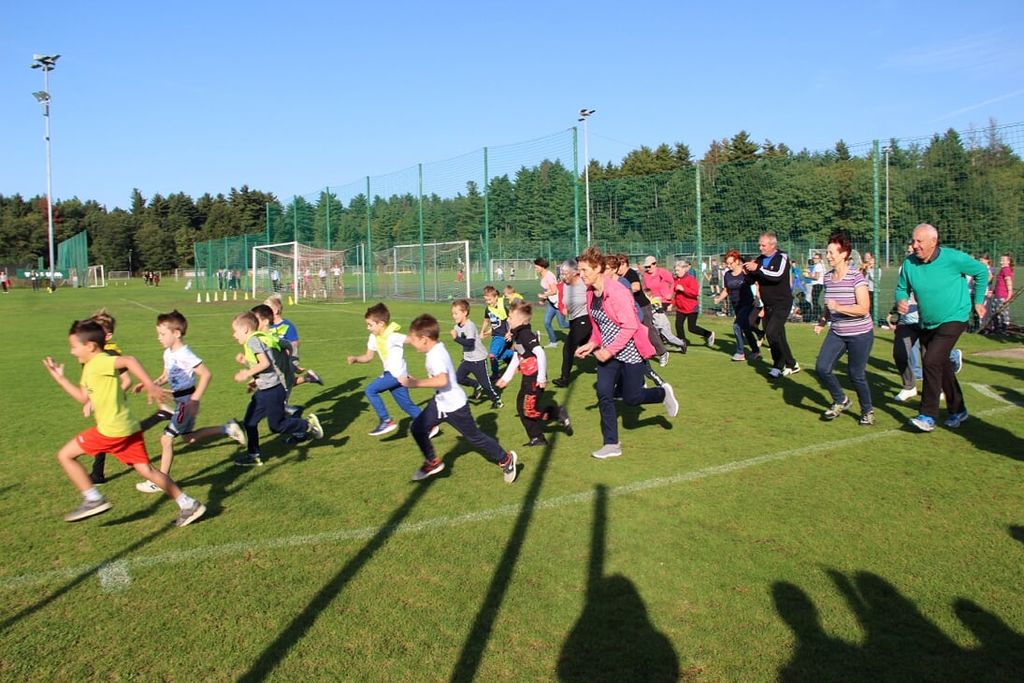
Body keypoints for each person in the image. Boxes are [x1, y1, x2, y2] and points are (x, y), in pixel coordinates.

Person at [43, 319, 207, 526]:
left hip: (111, 430)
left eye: (74, 346)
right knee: (147, 470)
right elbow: (83, 398)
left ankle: (93, 499)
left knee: (65, 455)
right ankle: (188, 504)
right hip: (128, 429)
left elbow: (129, 360)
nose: (72, 351)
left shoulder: (101, 361)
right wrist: (61, 379)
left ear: (90, 346)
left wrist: (150, 385)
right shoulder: (88, 368)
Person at [574, 247, 678, 460]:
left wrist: (609, 350)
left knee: (632, 398)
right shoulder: (590, 292)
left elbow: (630, 326)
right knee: (604, 392)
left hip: (630, 351)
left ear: (598, 268)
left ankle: (662, 394)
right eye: (579, 270)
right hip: (607, 352)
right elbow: (598, 325)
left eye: (584, 270)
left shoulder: (617, 292)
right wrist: (592, 344)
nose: (581, 274)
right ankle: (611, 444)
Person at [135, 310, 248, 493]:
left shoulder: (185, 354)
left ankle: (160, 480)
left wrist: (194, 400)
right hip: (181, 402)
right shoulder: (168, 353)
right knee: (188, 437)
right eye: (158, 334)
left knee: (166, 439)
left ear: (176, 333)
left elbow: (206, 374)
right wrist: (151, 384)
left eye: (162, 334)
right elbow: (166, 376)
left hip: (186, 403)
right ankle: (227, 429)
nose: (159, 338)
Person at [398, 314, 519, 484]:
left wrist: (415, 383)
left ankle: (506, 459)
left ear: (424, 339)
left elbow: (442, 380)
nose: (412, 343)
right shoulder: (434, 348)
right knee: (417, 428)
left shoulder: (435, 355)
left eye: (414, 340)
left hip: (455, 406)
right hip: (440, 403)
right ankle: (432, 462)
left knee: (475, 437)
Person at [895, 223, 988, 432]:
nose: (914, 245)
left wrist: (978, 301)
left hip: (955, 316)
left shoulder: (953, 258)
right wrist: (901, 299)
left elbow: (982, 271)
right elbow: (902, 288)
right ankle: (958, 410)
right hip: (927, 322)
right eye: (913, 241)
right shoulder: (909, 264)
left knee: (930, 361)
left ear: (933, 242)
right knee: (941, 365)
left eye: (919, 241)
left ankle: (927, 416)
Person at [232, 312, 323, 466]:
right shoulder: (258, 339)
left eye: (235, 331)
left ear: (246, 329)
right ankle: (253, 455)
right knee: (250, 422)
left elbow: (265, 363)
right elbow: (265, 363)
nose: (234, 335)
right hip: (264, 390)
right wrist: (253, 377)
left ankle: (307, 424)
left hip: (272, 391)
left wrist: (246, 373)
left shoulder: (253, 341)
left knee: (277, 426)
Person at [812, 234, 875, 425]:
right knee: (822, 368)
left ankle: (867, 411)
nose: (828, 256)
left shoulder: (856, 277)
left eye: (831, 253)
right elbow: (828, 305)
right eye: (827, 252)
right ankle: (841, 400)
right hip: (837, 332)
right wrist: (823, 321)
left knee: (856, 375)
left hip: (860, 334)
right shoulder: (828, 278)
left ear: (844, 254)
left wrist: (839, 308)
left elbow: (864, 308)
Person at [496, 302, 572, 447]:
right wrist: (506, 378)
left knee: (529, 410)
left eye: (510, 317)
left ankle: (557, 413)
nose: (508, 320)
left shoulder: (525, 334)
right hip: (528, 378)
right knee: (522, 407)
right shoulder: (518, 334)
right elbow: (518, 356)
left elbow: (540, 352)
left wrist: (541, 378)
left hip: (534, 379)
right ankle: (537, 438)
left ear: (521, 320)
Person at [347, 302, 422, 436]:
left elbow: (411, 340)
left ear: (381, 324)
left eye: (370, 324)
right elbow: (368, 357)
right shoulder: (373, 337)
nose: (367, 328)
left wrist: (425, 345)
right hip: (395, 375)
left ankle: (386, 421)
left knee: (370, 390)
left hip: (395, 374)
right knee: (406, 405)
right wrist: (356, 359)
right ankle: (429, 425)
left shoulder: (393, 336)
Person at [744, 233, 799, 377]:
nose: (760, 247)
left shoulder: (782, 257)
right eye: (759, 245)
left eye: (763, 245)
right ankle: (790, 364)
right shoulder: (760, 259)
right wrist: (747, 272)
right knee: (778, 335)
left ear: (773, 245)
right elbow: (752, 279)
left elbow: (776, 275)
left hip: (782, 303)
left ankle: (779, 365)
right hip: (768, 304)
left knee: (772, 333)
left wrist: (757, 268)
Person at [615, 254, 668, 364]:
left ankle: (662, 352)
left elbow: (636, 287)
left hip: (643, 306)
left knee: (649, 330)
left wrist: (622, 290)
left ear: (624, 264)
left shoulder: (631, 273)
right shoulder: (619, 276)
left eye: (618, 266)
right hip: (632, 308)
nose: (616, 269)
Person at [450, 299, 502, 409]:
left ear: (465, 313)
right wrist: (464, 355)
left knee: (486, 385)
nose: (454, 316)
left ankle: (497, 401)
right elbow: (465, 344)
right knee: (458, 378)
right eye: (453, 313)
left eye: (456, 313)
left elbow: (470, 342)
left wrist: (456, 338)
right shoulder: (456, 327)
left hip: (478, 360)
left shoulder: (470, 325)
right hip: (467, 360)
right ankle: (476, 385)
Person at [264, 294, 323, 387]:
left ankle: (307, 378)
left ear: (275, 311)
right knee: (281, 383)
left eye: (266, 310)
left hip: (289, 359)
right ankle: (309, 377)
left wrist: (289, 357)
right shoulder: (267, 326)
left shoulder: (287, 326)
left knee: (280, 384)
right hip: (275, 360)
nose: (264, 313)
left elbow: (295, 343)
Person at [552, 259, 592, 388]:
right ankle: (617, 367)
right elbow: (564, 302)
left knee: (568, 347)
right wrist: (564, 308)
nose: (563, 276)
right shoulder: (565, 285)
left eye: (565, 273)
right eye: (562, 273)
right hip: (574, 320)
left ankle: (564, 379)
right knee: (593, 348)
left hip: (585, 318)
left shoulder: (584, 282)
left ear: (575, 272)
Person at [714, 250, 759, 361]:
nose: (729, 266)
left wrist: (758, 296)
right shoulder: (727, 275)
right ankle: (756, 350)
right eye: (727, 263)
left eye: (731, 263)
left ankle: (740, 352)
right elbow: (727, 290)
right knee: (746, 328)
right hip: (736, 305)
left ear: (737, 261)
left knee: (737, 326)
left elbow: (757, 282)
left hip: (747, 303)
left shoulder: (744, 272)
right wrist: (719, 298)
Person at [672, 259, 714, 350]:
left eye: (678, 270)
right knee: (678, 325)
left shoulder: (691, 279)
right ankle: (682, 344)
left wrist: (684, 289)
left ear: (684, 269)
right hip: (680, 308)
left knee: (692, 328)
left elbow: (695, 293)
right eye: (675, 270)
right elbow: (676, 295)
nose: (676, 272)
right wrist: (672, 304)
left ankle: (709, 334)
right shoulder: (676, 280)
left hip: (691, 307)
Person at [481, 285, 515, 381]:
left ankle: (495, 374)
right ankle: (516, 353)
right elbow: (486, 320)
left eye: (490, 300)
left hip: (503, 336)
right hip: (495, 336)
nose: (488, 302)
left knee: (492, 355)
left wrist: (509, 332)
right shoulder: (488, 309)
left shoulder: (502, 307)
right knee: (499, 356)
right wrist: (482, 331)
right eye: (486, 300)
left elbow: (510, 319)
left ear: (496, 297)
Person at [535, 257, 567, 347]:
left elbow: (554, 291)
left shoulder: (548, 276)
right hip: (552, 303)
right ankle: (553, 342)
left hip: (558, 303)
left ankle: (582, 327)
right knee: (547, 322)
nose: (535, 268)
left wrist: (543, 296)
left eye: (536, 267)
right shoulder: (543, 275)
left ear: (542, 266)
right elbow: (548, 289)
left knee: (562, 324)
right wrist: (543, 299)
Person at [986, 254, 1015, 334]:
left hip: (1002, 295)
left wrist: (1009, 294)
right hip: (998, 294)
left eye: (1003, 260)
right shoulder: (1003, 269)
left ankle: (1003, 330)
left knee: (1002, 312)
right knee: (995, 312)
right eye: (1001, 260)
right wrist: (993, 292)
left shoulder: (1006, 269)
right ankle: (996, 329)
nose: (1001, 261)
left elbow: (1008, 281)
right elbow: (1000, 283)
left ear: (1008, 261)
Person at [859, 251, 877, 324]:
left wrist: (869, 269)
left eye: (868, 256)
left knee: (871, 306)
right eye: (865, 256)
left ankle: (872, 320)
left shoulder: (876, 269)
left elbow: (874, 279)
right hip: (865, 289)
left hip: (872, 290)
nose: (866, 257)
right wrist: (862, 269)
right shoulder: (864, 267)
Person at [806, 253, 825, 318]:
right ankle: (820, 315)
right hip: (817, 284)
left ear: (819, 259)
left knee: (815, 301)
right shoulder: (816, 266)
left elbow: (816, 277)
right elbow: (814, 276)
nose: (814, 259)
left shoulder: (818, 266)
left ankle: (817, 316)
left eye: (816, 258)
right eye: (814, 258)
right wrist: (809, 273)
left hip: (817, 284)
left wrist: (808, 276)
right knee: (815, 301)